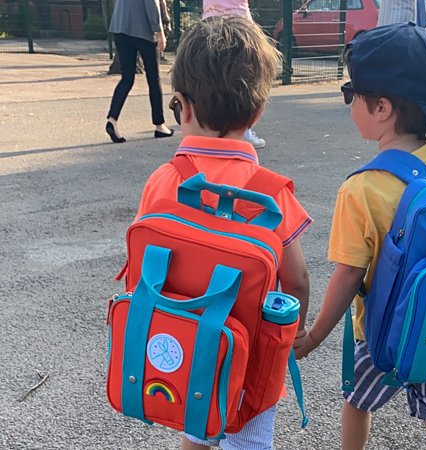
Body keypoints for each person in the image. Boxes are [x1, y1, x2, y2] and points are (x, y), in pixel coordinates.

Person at [132, 15, 312, 450]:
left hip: (184, 348)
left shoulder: (164, 180)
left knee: (197, 430)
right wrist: (295, 335)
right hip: (250, 359)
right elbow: (297, 280)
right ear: (258, 112)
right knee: (248, 439)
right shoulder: (271, 193)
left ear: (182, 106)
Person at [293, 23, 426, 450]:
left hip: (385, 335)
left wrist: (315, 335)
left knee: (357, 402)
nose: (348, 101)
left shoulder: (362, 188)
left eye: (350, 92)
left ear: (381, 108)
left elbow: (349, 274)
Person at [202, 0, 267, 149]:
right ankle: (243, 133)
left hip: (210, 22)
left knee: (212, 79)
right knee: (243, 79)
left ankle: (211, 131)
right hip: (239, 23)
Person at [106, 0, 174, 143]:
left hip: (120, 27)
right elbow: (151, 3)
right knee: (153, 78)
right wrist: (159, 31)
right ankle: (159, 125)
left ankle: (112, 119)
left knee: (126, 78)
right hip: (142, 29)